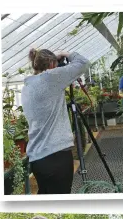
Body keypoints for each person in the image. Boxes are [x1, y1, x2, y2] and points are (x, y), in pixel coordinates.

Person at [21, 49, 90, 194]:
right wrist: (65, 53)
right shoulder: (51, 78)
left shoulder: (27, 87)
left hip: (37, 158)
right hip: (56, 156)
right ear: (52, 64)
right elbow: (83, 63)